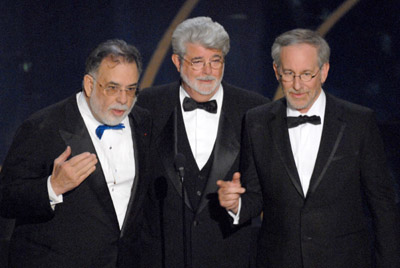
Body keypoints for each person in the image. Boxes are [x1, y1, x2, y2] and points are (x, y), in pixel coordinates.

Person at [218, 28, 400, 268]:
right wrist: (235, 205)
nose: (297, 85)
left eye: (306, 74)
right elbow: (255, 195)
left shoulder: (359, 121)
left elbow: (383, 206)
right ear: (276, 71)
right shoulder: (256, 121)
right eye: (289, 74)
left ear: (324, 71)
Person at [0, 39, 151, 267]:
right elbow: (6, 197)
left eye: (131, 89)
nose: (123, 99)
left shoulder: (143, 123)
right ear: (89, 85)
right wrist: (52, 187)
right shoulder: (43, 127)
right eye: (113, 88)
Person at [137, 17, 269, 267]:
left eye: (215, 61)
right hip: (161, 257)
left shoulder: (254, 110)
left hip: (230, 255)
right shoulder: (147, 106)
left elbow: (265, 191)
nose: (208, 72)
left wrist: (238, 204)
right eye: (197, 62)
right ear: (177, 62)